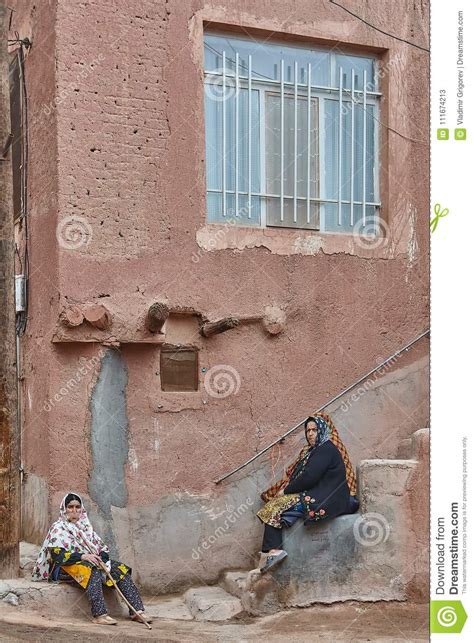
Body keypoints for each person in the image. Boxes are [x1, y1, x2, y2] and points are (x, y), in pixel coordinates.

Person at [256, 412, 359, 573]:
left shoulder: (325, 449)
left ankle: (273, 551)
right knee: (276, 505)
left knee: (275, 505)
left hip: (327, 498)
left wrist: (286, 491)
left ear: (323, 430)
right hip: (320, 494)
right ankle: (270, 551)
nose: (310, 434)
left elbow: (309, 477)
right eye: (308, 430)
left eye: (314, 430)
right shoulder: (317, 450)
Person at [32, 492, 152, 626]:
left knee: (120, 569)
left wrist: (100, 557)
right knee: (92, 570)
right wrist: (83, 556)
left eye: (78, 507)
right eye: (70, 507)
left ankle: (137, 611)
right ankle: (100, 614)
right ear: (64, 509)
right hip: (64, 567)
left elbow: (102, 548)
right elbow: (57, 555)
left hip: (88, 562)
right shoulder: (59, 528)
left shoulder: (86, 528)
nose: (74, 511)